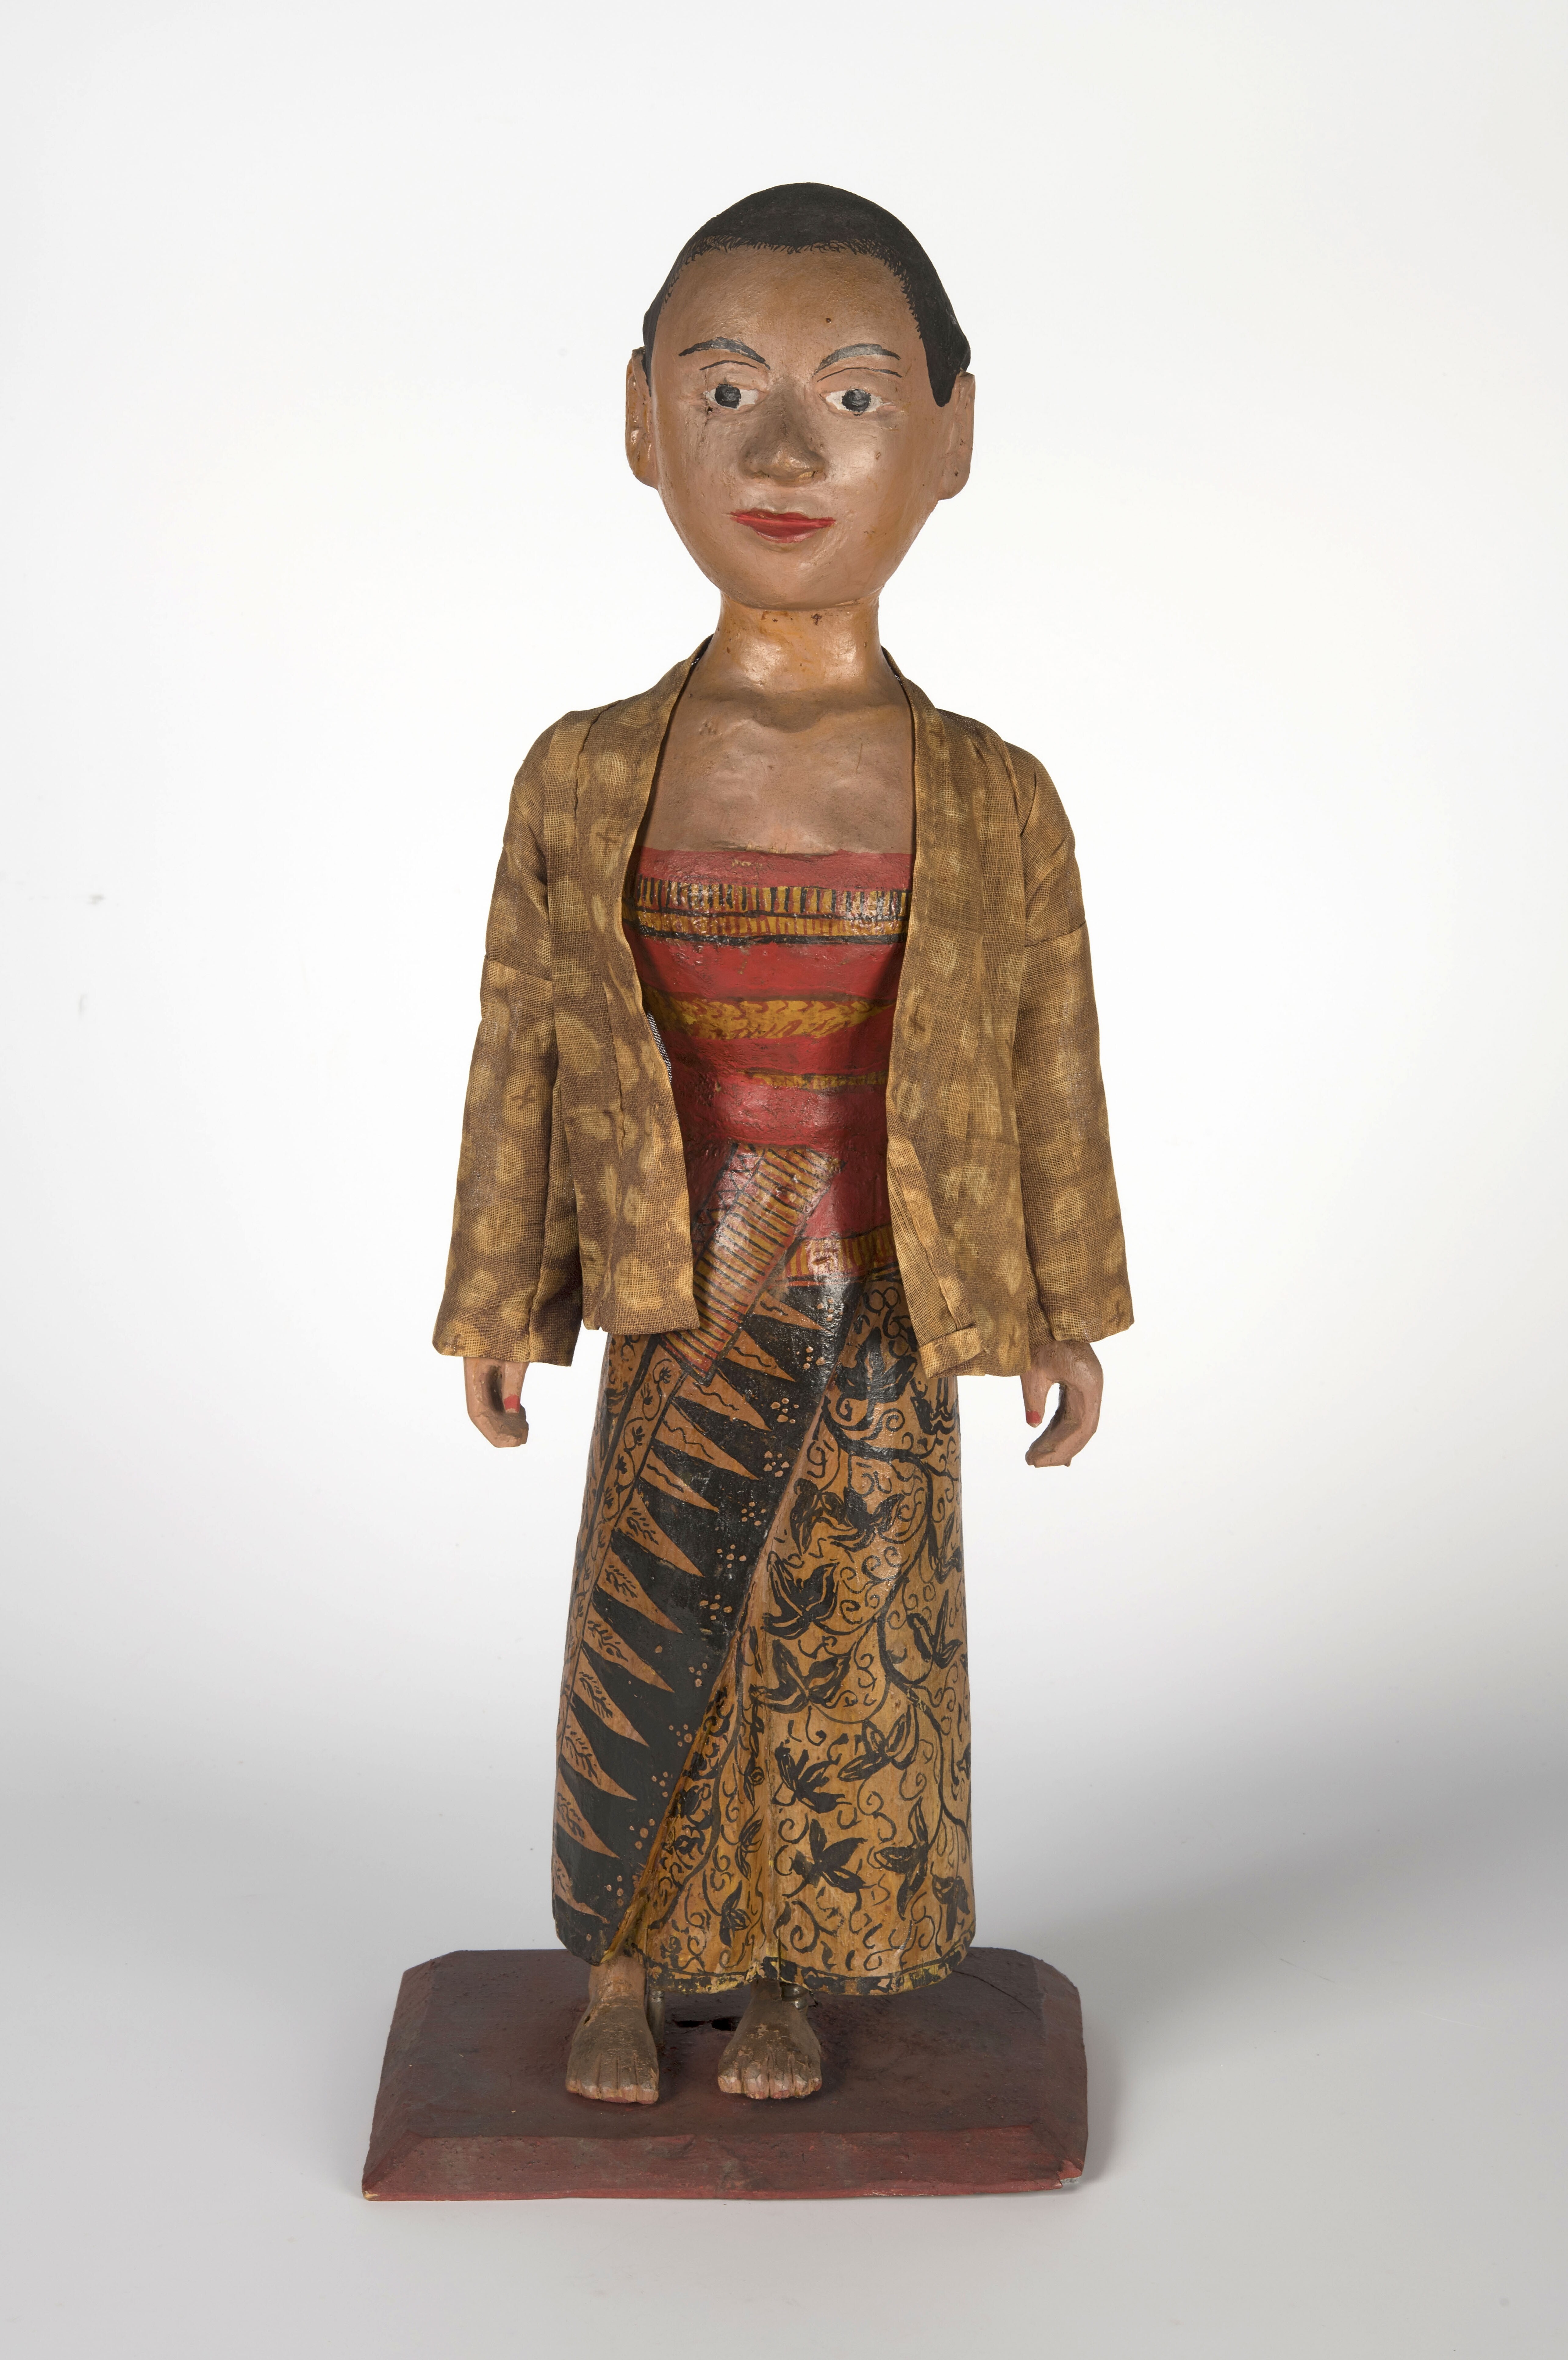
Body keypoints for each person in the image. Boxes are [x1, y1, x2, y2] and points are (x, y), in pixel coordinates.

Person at [434, 184, 1131, 2105]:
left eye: (855, 394)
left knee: (838, 1657)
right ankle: (622, 1965)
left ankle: (789, 1978)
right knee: (645, 1631)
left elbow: (1048, 1069)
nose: (786, 453)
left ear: (951, 436)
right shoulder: (586, 768)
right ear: (639, 418)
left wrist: (1063, 1308)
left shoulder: (992, 797)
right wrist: (498, 1295)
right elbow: (524, 1052)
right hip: (678, 1286)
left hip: (881, 1295)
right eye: (726, 390)